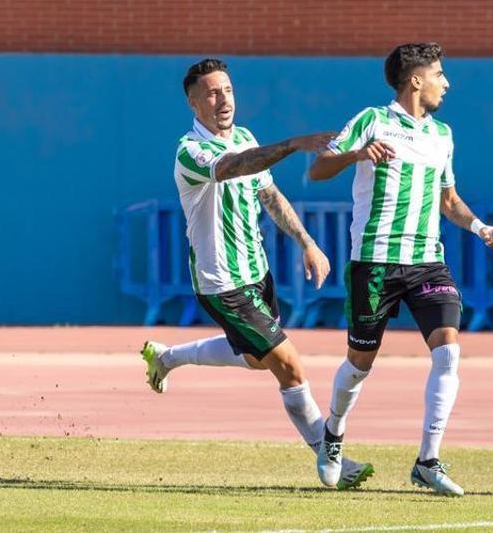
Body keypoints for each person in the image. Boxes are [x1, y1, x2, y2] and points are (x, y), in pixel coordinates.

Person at [140, 58, 374, 490]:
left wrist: (306, 242)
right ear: (193, 103)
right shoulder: (190, 150)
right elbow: (235, 167)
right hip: (221, 282)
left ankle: (167, 357)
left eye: (227, 89)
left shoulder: (245, 137)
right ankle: (329, 456)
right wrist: (294, 144)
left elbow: (268, 193)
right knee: (288, 365)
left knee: (253, 358)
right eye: (211, 92)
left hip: (256, 273)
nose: (222, 98)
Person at [307, 43, 493, 497]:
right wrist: (357, 155)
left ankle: (428, 460)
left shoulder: (443, 135)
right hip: (375, 261)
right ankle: (333, 436)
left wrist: (479, 228)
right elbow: (319, 169)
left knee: (449, 352)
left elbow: (448, 200)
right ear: (415, 79)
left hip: (427, 262)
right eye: (439, 73)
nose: (446, 82)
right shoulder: (371, 121)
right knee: (360, 365)